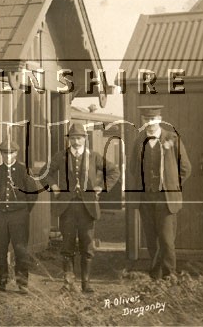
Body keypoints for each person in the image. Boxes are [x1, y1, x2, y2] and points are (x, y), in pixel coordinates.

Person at [44, 123, 119, 293]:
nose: (76, 142)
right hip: (67, 208)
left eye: (79, 138)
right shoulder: (61, 156)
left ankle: (86, 283)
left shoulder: (94, 157)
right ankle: (68, 283)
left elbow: (114, 171)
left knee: (87, 245)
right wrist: (54, 187)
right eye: (72, 138)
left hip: (87, 208)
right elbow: (45, 173)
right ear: (69, 140)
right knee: (67, 245)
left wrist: (101, 187)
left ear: (85, 139)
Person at [127, 105, 191, 280]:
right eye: (146, 120)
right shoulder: (139, 140)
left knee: (166, 239)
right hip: (146, 197)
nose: (149, 123)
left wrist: (172, 185)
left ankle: (170, 274)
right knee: (151, 238)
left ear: (160, 119)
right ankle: (155, 274)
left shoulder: (172, 138)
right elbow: (133, 167)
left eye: (153, 119)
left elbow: (185, 168)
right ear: (142, 121)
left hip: (165, 199)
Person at [0, 139, 39, 294]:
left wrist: (23, 211)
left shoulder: (24, 171)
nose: (8, 156)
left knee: (20, 249)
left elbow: (32, 194)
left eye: (11, 153)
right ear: (1, 154)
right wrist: (1, 208)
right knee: (0, 249)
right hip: (2, 216)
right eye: (5, 153)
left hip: (19, 216)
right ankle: (0, 282)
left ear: (16, 153)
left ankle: (22, 283)